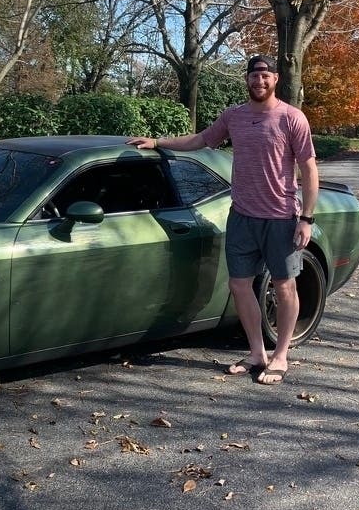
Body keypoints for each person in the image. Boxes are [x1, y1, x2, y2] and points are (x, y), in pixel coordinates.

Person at [127, 55, 319, 385]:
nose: (259, 80)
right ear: (247, 79)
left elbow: (309, 168)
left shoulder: (292, 118)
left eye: (265, 75)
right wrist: (157, 142)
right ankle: (256, 353)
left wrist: (307, 218)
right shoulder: (234, 115)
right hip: (242, 216)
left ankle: (281, 355)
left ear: (275, 79)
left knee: (284, 285)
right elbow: (201, 140)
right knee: (239, 285)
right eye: (254, 75)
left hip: (281, 217)